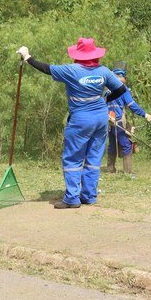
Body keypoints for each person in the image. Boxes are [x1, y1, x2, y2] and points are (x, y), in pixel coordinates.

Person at [16, 38, 129, 209]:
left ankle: (72, 198)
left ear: (78, 54)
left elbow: (46, 68)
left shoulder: (71, 70)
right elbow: (121, 89)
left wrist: (27, 57)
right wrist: (104, 99)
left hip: (81, 120)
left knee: (73, 159)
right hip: (100, 118)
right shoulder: (104, 71)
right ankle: (89, 196)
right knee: (93, 158)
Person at [106, 68, 151, 176]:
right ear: (121, 78)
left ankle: (110, 169)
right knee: (126, 145)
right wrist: (145, 114)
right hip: (118, 122)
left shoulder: (107, 91)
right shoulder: (123, 90)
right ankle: (127, 172)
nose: (125, 79)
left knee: (112, 145)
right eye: (124, 77)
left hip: (109, 122)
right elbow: (132, 105)